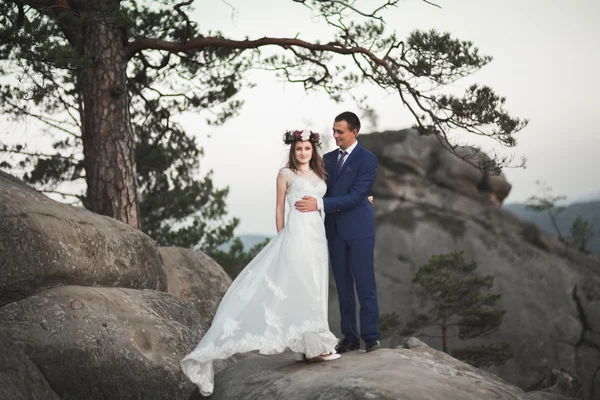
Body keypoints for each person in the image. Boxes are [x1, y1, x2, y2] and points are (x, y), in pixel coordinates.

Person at [180, 130, 340, 397]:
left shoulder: (320, 174)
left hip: (317, 237)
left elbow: (328, 200)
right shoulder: (285, 174)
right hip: (297, 235)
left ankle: (309, 346)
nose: (303, 153)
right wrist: (282, 237)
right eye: (299, 148)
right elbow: (279, 208)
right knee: (305, 287)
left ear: (313, 151)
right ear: (293, 150)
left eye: (307, 149)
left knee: (316, 285)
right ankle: (317, 347)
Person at [294, 111, 381, 353]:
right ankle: (350, 337)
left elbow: (355, 195)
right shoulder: (328, 159)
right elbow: (316, 185)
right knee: (343, 287)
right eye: (333, 130)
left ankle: (371, 337)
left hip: (359, 230)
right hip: (333, 231)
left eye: (339, 131)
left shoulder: (368, 159)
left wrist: (320, 205)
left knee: (365, 285)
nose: (334, 135)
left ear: (354, 132)